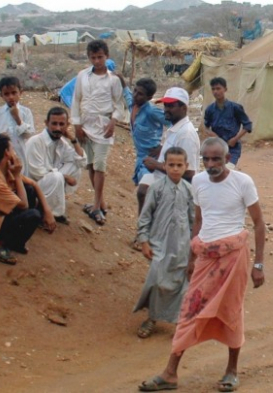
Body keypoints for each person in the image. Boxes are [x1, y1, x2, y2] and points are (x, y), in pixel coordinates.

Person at [138, 137, 266, 392]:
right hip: (205, 256)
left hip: (234, 256)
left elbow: (259, 223)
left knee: (231, 311)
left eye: (216, 158)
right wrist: (192, 257)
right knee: (188, 311)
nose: (210, 164)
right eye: (205, 159)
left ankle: (231, 371)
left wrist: (259, 265)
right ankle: (170, 373)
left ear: (227, 159)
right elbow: (198, 220)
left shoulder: (243, 182)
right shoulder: (197, 181)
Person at [133, 147, 195, 339]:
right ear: (165, 165)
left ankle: (178, 320)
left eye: (179, 165)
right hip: (159, 243)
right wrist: (144, 240)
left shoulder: (189, 190)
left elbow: (194, 220)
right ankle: (152, 317)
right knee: (156, 279)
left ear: (186, 166)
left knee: (179, 283)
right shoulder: (156, 188)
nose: (175, 169)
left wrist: (194, 246)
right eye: (171, 165)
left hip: (182, 246)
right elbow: (145, 217)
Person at [0, 134, 57, 266]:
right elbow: (24, 205)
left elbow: (34, 184)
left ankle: (14, 243)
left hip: (0, 216)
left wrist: (47, 211)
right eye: (13, 149)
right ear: (6, 153)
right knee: (33, 215)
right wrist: (17, 176)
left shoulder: (6, 171)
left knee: (29, 190)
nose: (15, 153)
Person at [70, 40, 124, 226]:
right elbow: (76, 101)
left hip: (103, 127)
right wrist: (76, 125)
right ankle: (100, 203)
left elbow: (119, 105)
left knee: (100, 165)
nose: (97, 61)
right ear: (89, 58)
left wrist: (113, 122)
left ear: (106, 56)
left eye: (100, 57)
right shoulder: (82, 76)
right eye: (93, 57)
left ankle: (96, 206)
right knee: (91, 165)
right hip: (85, 124)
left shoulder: (113, 80)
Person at [26, 107, 86, 225]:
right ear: (46, 123)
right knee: (57, 177)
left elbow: (81, 162)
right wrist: (64, 176)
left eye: (61, 124)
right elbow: (37, 172)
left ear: (67, 125)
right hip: (32, 188)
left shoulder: (61, 143)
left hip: (48, 182)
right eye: (54, 124)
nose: (58, 128)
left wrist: (73, 139)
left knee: (75, 166)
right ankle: (44, 212)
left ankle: (54, 208)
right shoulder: (35, 141)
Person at [130, 78, 168, 213]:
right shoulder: (132, 104)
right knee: (143, 194)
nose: (135, 95)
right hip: (140, 158)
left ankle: (144, 226)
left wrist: (163, 147)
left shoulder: (152, 111)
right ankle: (143, 226)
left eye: (140, 94)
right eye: (134, 91)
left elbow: (174, 123)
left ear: (149, 97)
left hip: (151, 159)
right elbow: (125, 93)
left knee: (144, 192)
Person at [0, 76, 35, 176]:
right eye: (6, 94)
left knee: (23, 180)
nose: (11, 97)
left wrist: (18, 119)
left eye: (14, 93)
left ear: (20, 92)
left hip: (22, 154)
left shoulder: (26, 112)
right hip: (3, 156)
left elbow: (30, 134)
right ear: (1, 95)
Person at [203, 77, 252, 169]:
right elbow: (206, 127)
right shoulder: (210, 109)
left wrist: (235, 139)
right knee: (216, 172)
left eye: (218, 88)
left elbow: (247, 125)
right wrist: (213, 135)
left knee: (228, 170)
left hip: (232, 148)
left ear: (225, 89)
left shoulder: (235, 108)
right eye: (213, 89)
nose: (215, 92)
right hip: (217, 147)